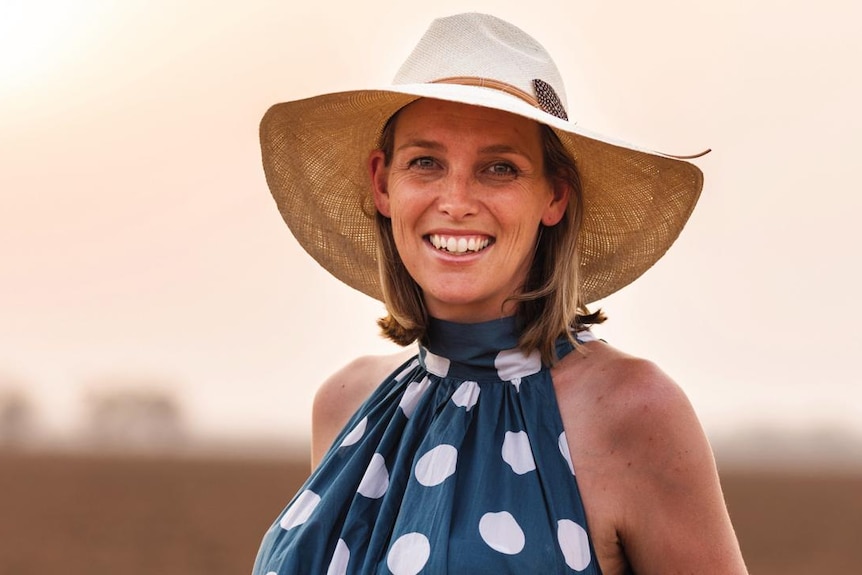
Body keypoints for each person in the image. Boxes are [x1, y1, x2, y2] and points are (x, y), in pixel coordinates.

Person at [253, 12, 748, 575]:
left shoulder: (636, 413)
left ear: (554, 196)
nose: (457, 199)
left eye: (499, 168)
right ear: (381, 183)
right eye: (425, 162)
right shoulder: (343, 403)